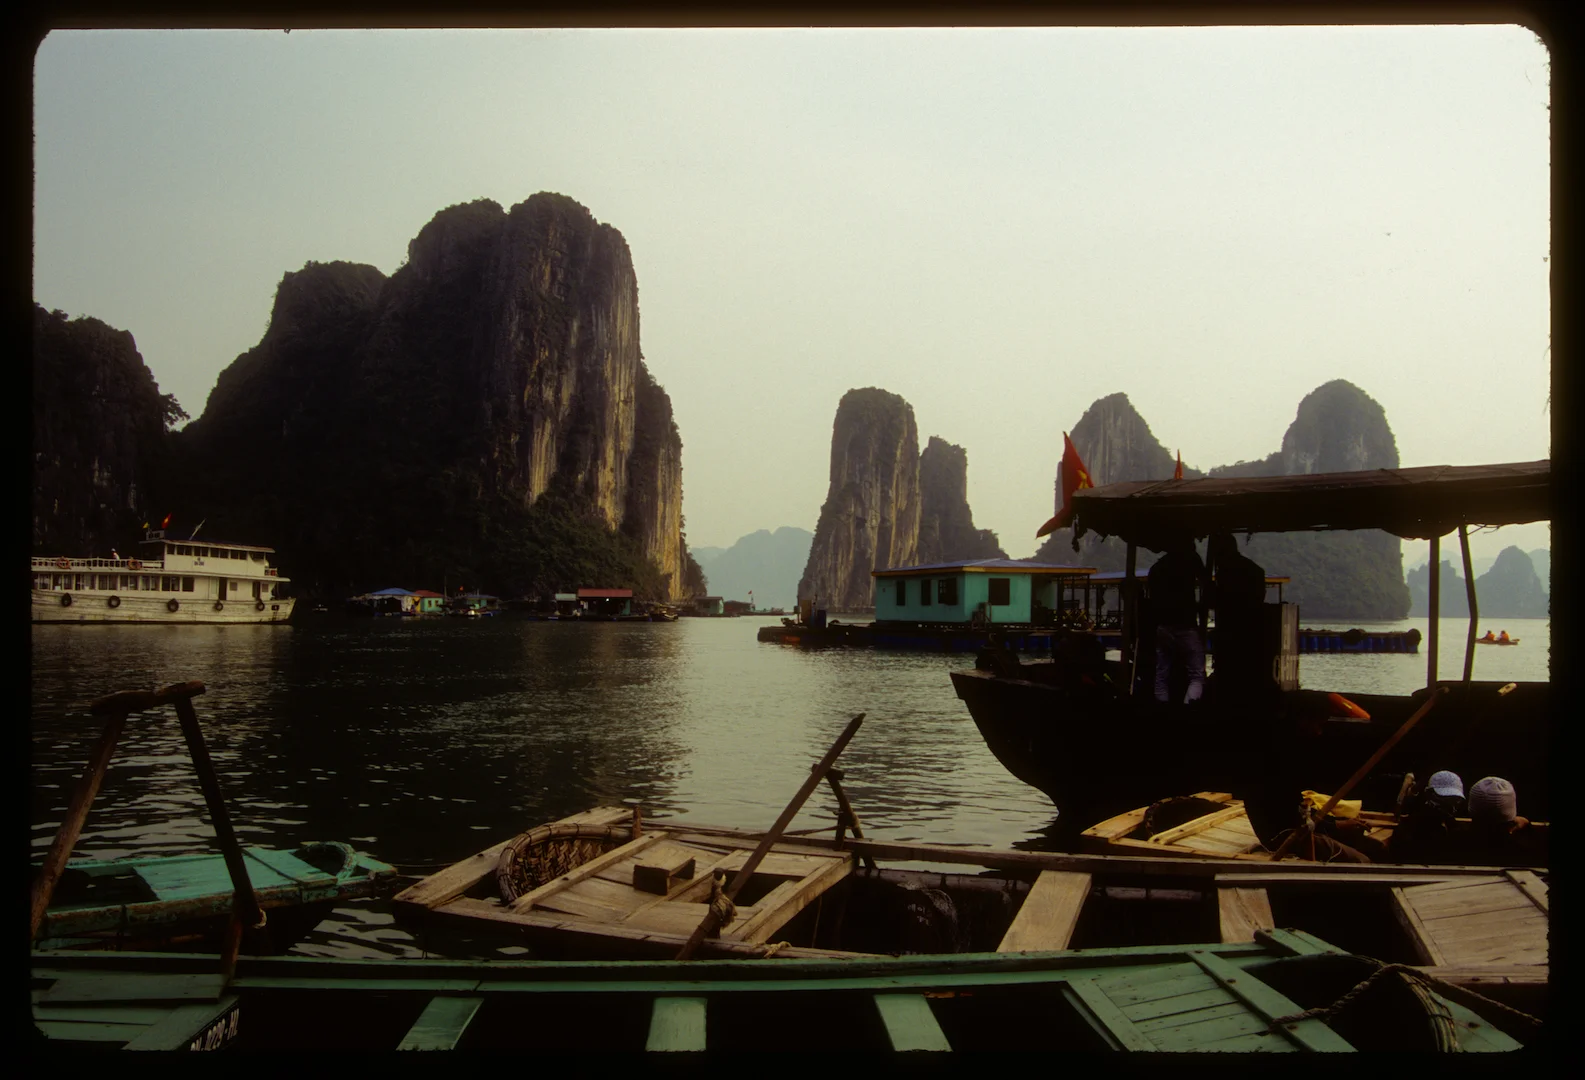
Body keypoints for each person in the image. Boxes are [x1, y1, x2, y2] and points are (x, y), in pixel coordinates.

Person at [1148, 536, 1208, 704]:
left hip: (1163, 626)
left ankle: (1162, 707)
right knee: (1196, 675)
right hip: (1186, 624)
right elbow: (1206, 582)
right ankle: (1190, 706)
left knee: (1162, 673)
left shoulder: (1158, 567)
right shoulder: (1191, 560)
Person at [1207, 533, 1266, 696]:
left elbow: (1218, 601)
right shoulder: (1253, 570)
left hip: (1230, 632)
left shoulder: (1226, 572)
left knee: (1229, 675)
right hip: (1251, 632)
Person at [1386, 770, 1465, 864]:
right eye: (1444, 798)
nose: (1449, 805)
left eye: (1454, 800)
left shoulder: (1452, 828)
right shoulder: (1409, 829)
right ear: (1429, 794)